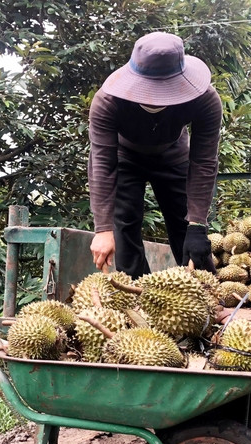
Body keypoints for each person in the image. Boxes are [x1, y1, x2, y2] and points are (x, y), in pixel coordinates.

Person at [88, 32, 223, 278]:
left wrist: (197, 224)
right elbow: (102, 165)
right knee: (124, 226)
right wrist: (103, 229)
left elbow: (204, 161)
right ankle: (137, 297)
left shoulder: (204, 99)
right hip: (125, 156)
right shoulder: (108, 102)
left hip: (174, 154)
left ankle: (207, 298)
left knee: (188, 232)